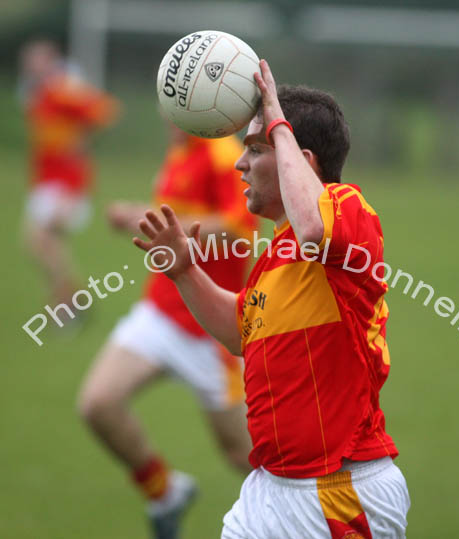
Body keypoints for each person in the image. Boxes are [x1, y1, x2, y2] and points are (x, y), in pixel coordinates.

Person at [132, 59, 411, 538]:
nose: (239, 164)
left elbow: (313, 227)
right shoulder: (275, 253)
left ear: (300, 159)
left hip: (337, 492)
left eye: (255, 149)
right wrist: (184, 271)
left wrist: (276, 120)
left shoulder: (348, 208)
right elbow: (241, 333)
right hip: (270, 487)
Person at [78, 123, 256, 539]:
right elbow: (175, 215)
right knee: (99, 403)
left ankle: (320, 515)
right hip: (160, 311)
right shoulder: (180, 151)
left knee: (246, 455)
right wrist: (139, 215)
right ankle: (165, 493)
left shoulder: (221, 154)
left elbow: (238, 228)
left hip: (213, 330)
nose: (166, 114)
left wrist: (161, 227)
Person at [19, 39, 119, 309]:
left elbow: (105, 110)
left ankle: (69, 300)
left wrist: (84, 136)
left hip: (67, 184)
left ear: (50, 61)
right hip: (45, 182)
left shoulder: (62, 89)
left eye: (37, 59)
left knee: (39, 239)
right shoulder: (37, 94)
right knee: (45, 245)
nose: (31, 65)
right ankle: (66, 300)